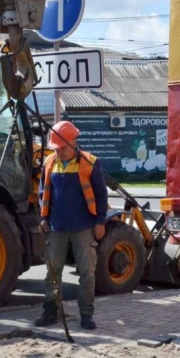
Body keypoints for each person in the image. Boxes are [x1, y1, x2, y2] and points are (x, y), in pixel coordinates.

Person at [35, 120, 108, 330]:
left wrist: (99, 222)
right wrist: (43, 218)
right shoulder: (50, 163)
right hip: (56, 227)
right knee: (53, 271)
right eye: (56, 149)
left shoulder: (90, 162)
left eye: (62, 149)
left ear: (73, 142)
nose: (59, 153)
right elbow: (43, 193)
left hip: (84, 227)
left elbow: (101, 195)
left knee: (87, 272)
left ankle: (86, 314)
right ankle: (50, 311)